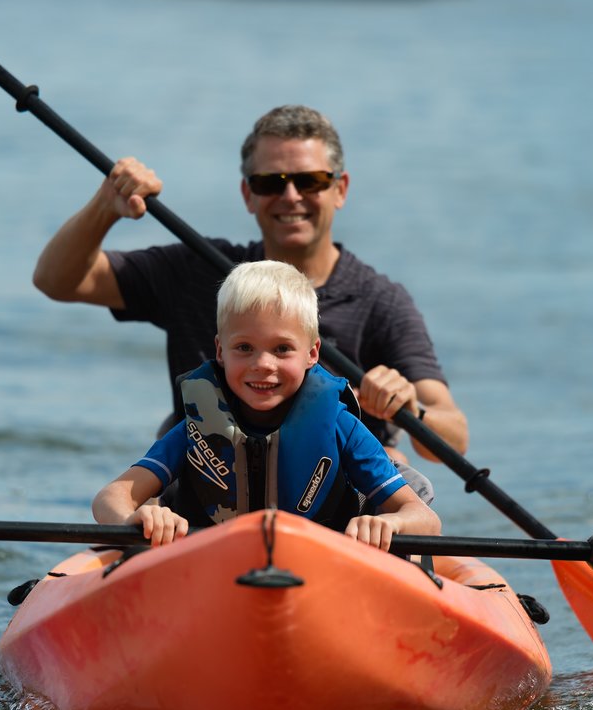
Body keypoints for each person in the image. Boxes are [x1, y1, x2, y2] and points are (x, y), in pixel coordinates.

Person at [33, 104, 469, 474]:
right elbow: (57, 280)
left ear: (340, 189)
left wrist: (408, 407)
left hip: (339, 511)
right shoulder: (197, 269)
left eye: (311, 181)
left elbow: (454, 437)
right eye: (270, 183)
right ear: (247, 194)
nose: (292, 196)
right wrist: (105, 206)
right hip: (210, 501)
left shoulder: (380, 301)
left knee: (393, 460)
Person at [91, 260, 442, 550]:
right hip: (212, 571)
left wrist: (389, 522)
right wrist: (137, 519)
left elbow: (425, 519)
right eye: (244, 347)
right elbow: (111, 497)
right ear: (219, 352)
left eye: (282, 349)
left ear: (312, 353)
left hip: (326, 571)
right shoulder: (194, 429)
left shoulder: (341, 426)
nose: (263, 363)